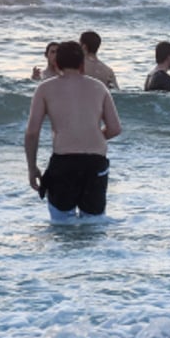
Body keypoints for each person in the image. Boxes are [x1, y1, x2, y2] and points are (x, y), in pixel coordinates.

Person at [25, 41, 122, 221]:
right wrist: (93, 136)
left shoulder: (45, 88)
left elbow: (32, 133)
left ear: (57, 64)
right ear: (82, 64)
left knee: (62, 225)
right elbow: (115, 128)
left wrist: (32, 168)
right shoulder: (99, 87)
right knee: (94, 224)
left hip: (64, 162)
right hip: (95, 161)